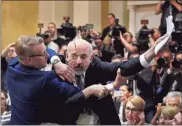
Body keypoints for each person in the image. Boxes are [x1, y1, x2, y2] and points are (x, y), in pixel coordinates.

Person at [61, 33, 169, 124]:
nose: (78, 61)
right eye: (74, 56)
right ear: (67, 56)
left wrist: (152, 52)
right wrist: (111, 86)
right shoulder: (57, 70)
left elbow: (123, 67)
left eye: (84, 57)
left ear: (91, 58)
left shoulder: (95, 67)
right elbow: (68, 104)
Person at [6, 35, 111, 125]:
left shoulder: (13, 65)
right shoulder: (44, 79)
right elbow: (75, 94)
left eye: (45, 50)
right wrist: (91, 89)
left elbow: (50, 51)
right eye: (43, 54)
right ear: (29, 60)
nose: (47, 55)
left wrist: (56, 62)